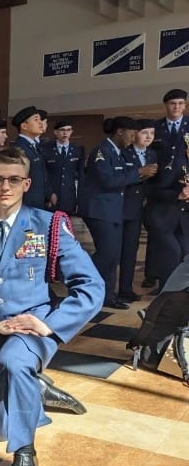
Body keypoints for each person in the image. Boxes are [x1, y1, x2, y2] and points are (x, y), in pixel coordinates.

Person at [0, 147, 103, 466]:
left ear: (26, 184)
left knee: (14, 362)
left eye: (14, 180)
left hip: (33, 326)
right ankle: (35, 389)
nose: (6, 187)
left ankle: (25, 455)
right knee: (0, 428)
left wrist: (50, 325)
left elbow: (91, 286)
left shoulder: (49, 225)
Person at [80, 116, 145, 310]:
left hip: (112, 210)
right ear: (120, 132)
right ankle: (81, 283)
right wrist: (139, 173)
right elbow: (109, 181)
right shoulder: (102, 151)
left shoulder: (117, 152)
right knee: (107, 254)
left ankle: (107, 295)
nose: (133, 138)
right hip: (99, 210)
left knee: (112, 255)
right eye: (131, 133)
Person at [146, 88, 189, 291]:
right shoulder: (156, 128)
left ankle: (179, 290)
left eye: (181, 103)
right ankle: (166, 288)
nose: (177, 107)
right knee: (167, 248)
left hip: (186, 193)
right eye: (173, 103)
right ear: (166, 105)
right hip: (161, 193)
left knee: (183, 247)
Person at [119, 119, 158, 302]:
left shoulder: (152, 154)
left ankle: (126, 289)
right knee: (116, 251)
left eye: (151, 133)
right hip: (123, 207)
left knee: (131, 250)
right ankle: (110, 289)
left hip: (142, 207)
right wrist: (141, 173)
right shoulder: (124, 153)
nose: (148, 136)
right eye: (144, 133)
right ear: (135, 134)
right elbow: (120, 178)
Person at [41, 120, 84, 214]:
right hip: (51, 196)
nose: (65, 133)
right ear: (55, 132)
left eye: (68, 130)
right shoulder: (46, 149)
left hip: (69, 198)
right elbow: (43, 174)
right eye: (62, 130)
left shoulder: (77, 150)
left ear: (71, 132)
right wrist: (49, 193)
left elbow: (81, 176)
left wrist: (80, 200)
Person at [11, 106, 49, 209]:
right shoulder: (19, 149)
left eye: (40, 120)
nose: (41, 123)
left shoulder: (34, 146)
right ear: (24, 126)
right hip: (26, 204)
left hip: (38, 203)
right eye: (36, 120)